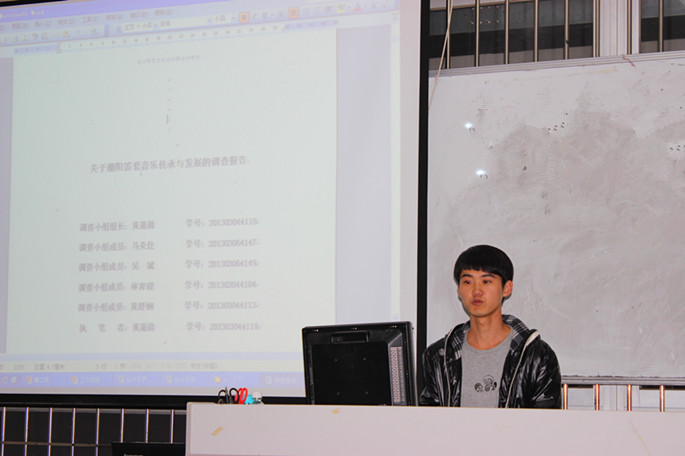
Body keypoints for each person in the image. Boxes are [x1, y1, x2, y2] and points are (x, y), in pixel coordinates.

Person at [420, 244, 561, 408]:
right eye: (468, 282)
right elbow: (429, 419)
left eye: (486, 281)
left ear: (507, 288)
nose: (476, 291)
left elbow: (546, 420)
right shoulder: (438, 357)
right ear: (458, 290)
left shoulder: (537, 356)